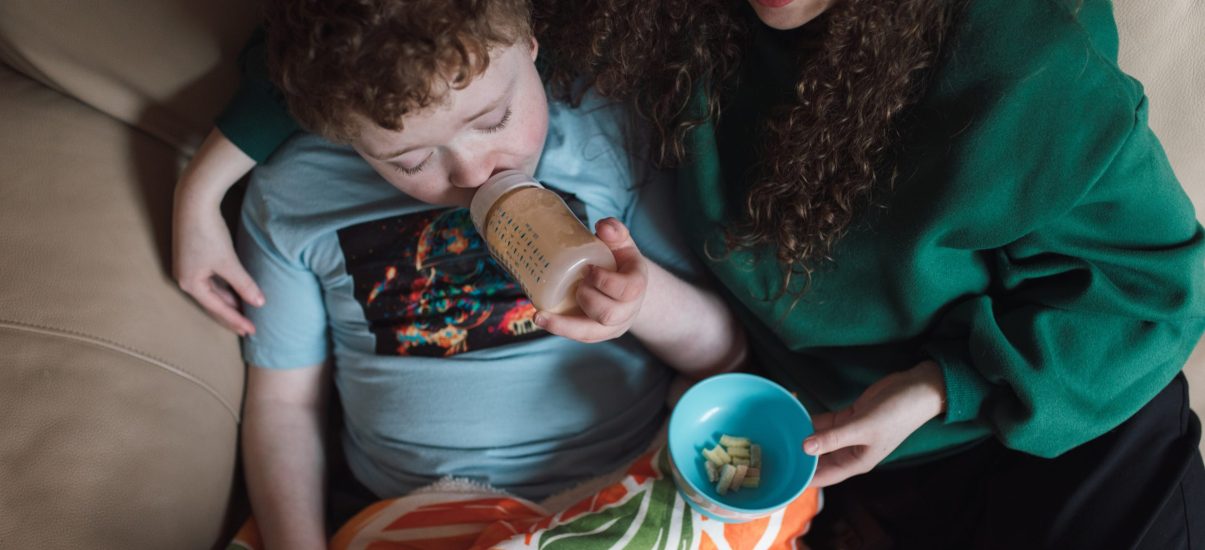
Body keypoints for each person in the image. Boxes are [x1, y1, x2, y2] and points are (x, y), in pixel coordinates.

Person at [529, 0, 1205, 547]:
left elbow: (1151, 294)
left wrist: (938, 388)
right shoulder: (672, 25)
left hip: (1065, 421)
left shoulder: (1029, 62)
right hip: (840, 454)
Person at [173, 1, 751, 548]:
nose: (474, 171)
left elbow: (723, 354)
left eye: (494, 118)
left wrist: (639, 298)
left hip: (623, 490)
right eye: (412, 161)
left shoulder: (606, 134)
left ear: (530, 46)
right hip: (416, 513)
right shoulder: (295, 193)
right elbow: (286, 407)